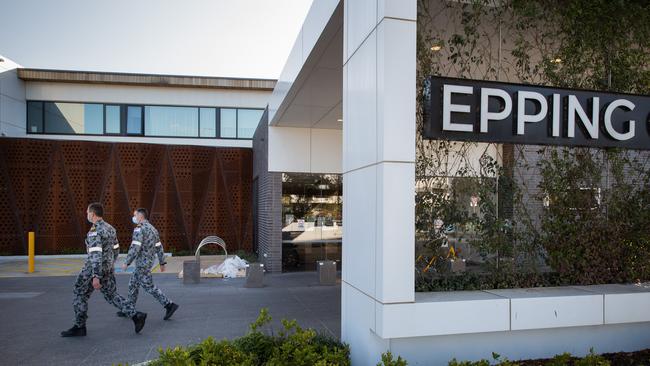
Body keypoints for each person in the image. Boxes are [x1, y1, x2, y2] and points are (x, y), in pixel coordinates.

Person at [61, 203, 147, 337]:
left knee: (79, 292)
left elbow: (95, 254)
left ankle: (80, 326)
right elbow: (116, 249)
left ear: (93, 214)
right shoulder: (110, 228)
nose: (87, 215)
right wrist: (110, 263)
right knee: (112, 295)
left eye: (88, 213)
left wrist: (96, 276)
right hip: (107, 267)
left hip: (93, 269)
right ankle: (136, 315)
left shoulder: (95, 231)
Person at [119, 208, 179, 320]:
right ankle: (129, 309)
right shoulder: (153, 229)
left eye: (135, 215)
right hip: (149, 261)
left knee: (149, 286)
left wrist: (127, 262)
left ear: (140, 217)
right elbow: (159, 246)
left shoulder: (139, 229)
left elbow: (135, 247)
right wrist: (162, 262)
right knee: (133, 285)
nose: (134, 217)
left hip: (142, 263)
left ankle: (169, 305)